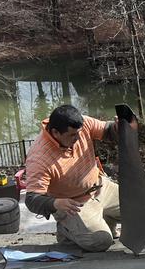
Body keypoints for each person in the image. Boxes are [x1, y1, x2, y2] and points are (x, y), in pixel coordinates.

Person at [24, 104, 122, 252]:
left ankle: (104, 222)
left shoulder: (81, 124)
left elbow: (107, 130)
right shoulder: (39, 158)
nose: (78, 138)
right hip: (73, 204)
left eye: (79, 133)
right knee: (101, 241)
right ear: (55, 132)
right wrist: (55, 203)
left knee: (138, 208)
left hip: (99, 186)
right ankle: (66, 230)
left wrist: (117, 128)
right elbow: (32, 199)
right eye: (72, 135)